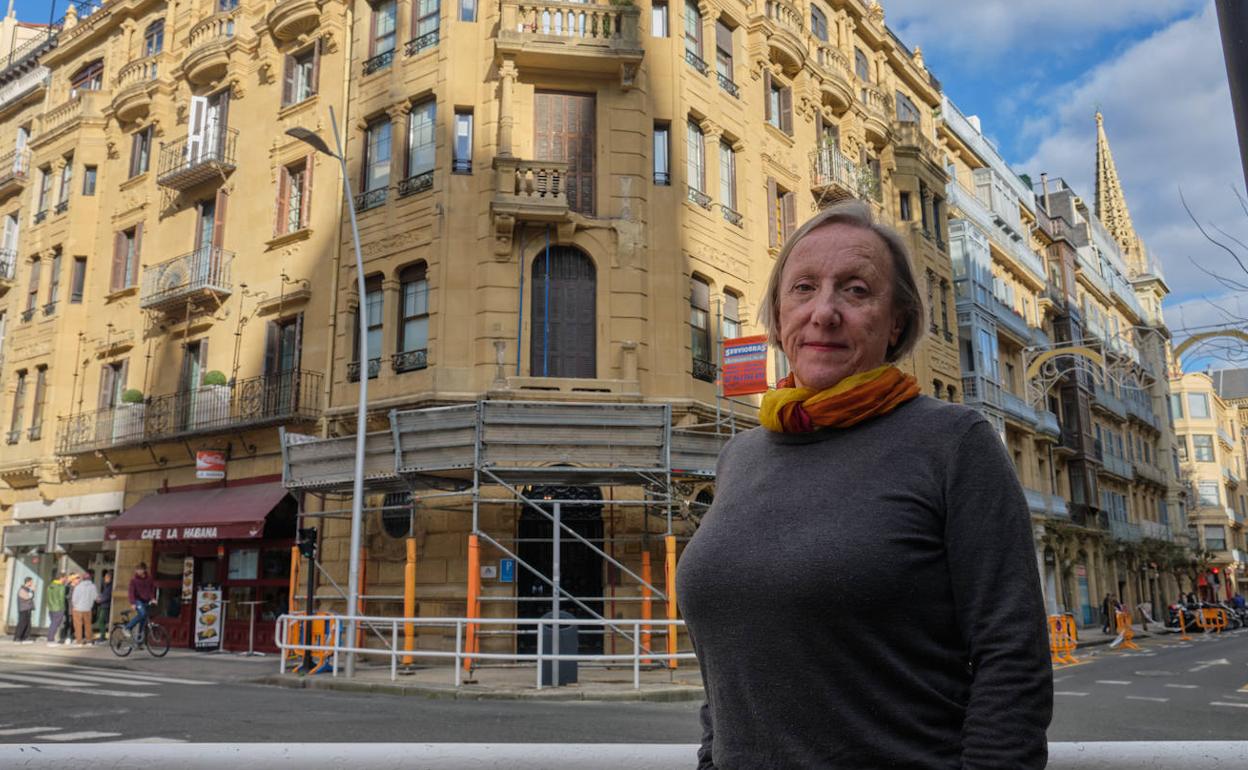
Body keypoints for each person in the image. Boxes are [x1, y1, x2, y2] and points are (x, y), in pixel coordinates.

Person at [676, 202, 1052, 769]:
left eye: (855, 291)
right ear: (779, 317)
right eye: (803, 288)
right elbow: (729, 667)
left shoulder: (953, 443)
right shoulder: (741, 455)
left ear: (896, 321)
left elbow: (1013, 659)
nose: (823, 312)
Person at [124, 562, 156, 643]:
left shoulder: (149, 579)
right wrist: (133, 603)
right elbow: (131, 592)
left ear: (144, 570)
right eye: (137, 569)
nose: (138, 571)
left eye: (140, 569)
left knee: (143, 619)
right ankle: (127, 628)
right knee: (142, 614)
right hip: (137, 600)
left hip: (146, 600)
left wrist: (152, 599)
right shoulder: (133, 580)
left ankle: (139, 641)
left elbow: (151, 590)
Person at [70, 572, 99, 647]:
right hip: (88, 609)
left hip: (78, 609)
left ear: (83, 579)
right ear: (90, 579)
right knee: (88, 625)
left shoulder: (78, 587)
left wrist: (75, 605)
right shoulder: (93, 586)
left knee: (78, 625)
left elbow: (74, 599)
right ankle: (89, 641)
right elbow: (95, 597)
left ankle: (79, 642)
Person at [45, 574, 69, 647]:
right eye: (65, 578)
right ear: (61, 578)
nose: (65, 580)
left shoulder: (50, 585)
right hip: (58, 608)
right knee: (55, 624)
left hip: (51, 608)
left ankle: (50, 639)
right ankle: (50, 640)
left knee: (53, 624)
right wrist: (63, 608)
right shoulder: (61, 587)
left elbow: (48, 597)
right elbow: (61, 598)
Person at [13, 577, 35, 643]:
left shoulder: (27, 589)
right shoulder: (22, 589)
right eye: (31, 582)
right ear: (27, 582)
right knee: (22, 623)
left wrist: (31, 591)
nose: (32, 583)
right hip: (23, 609)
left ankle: (25, 637)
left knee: (28, 624)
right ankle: (17, 638)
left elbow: (30, 596)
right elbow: (27, 597)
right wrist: (32, 590)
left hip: (28, 609)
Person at [95, 571, 113, 642]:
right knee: (102, 621)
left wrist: (100, 600)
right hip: (103, 605)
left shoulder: (110, 586)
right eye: (105, 577)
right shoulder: (106, 586)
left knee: (101, 621)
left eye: (106, 578)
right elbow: (104, 594)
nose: (105, 579)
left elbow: (108, 596)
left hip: (105, 606)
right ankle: (102, 635)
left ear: (110, 578)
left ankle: (102, 636)